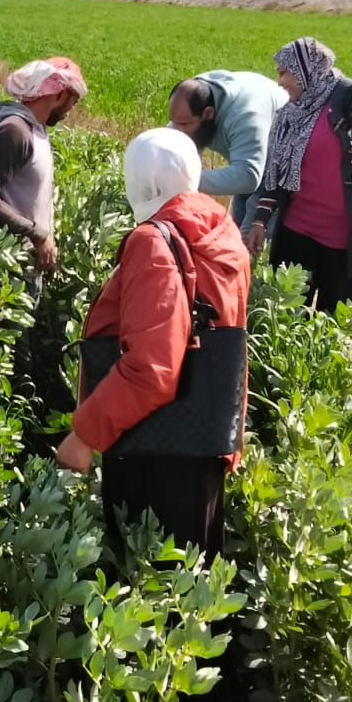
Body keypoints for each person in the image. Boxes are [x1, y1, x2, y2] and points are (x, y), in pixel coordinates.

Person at [55, 128, 250, 560]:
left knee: (148, 587)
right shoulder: (219, 229)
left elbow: (151, 369)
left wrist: (85, 435)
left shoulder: (154, 241)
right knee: (190, 587)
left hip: (154, 445)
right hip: (203, 439)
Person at [245, 37, 352, 314]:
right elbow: (276, 171)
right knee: (285, 316)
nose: (279, 81)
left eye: (284, 72)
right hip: (296, 230)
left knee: (331, 324)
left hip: (342, 237)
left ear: (306, 69)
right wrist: (260, 219)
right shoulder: (290, 113)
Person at [0, 56, 87, 390]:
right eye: (71, 101)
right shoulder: (13, 131)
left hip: (22, 267)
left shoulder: (34, 129)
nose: (71, 109)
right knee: (13, 366)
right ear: (56, 94)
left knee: (20, 354)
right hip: (6, 270)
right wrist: (36, 233)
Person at [168, 71, 288, 227]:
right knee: (235, 230)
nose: (177, 132)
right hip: (253, 157)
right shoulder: (196, 95)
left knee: (249, 238)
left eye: (184, 125)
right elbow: (172, 141)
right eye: (174, 123)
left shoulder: (246, 115)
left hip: (282, 170)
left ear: (208, 113)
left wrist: (185, 180)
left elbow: (248, 176)